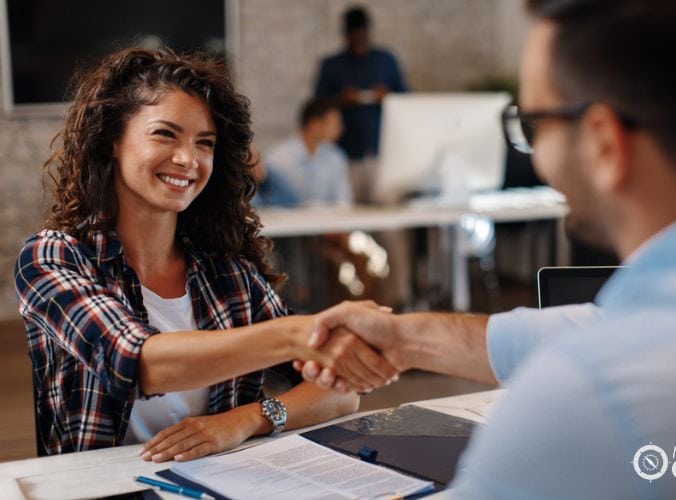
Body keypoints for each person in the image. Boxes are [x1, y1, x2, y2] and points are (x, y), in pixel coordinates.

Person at [298, 0, 676, 497]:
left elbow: (591, 355)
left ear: (604, 144)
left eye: (533, 126)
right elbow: (581, 327)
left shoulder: (582, 396)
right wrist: (399, 338)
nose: (535, 153)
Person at [14, 47, 397, 459]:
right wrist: (297, 336)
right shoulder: (52, 257)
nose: (188, 159)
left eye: (205, 142)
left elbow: (340, 392)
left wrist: (247, 419)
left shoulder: (228, 274)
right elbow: (139, 364)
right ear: (112, 140)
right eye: (165, 133)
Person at [314, 5, 407, 165]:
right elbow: (316, 106)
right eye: (354, 38)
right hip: (344, 153)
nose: (358, 42)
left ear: (368, 33)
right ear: (345, 35)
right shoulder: (331, 65)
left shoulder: (386, 60)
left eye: (362, 37)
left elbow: (407, 99)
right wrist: (340, 100)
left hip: (383, 150)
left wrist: (388, 96)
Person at [257, 98, 352, 207]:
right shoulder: (278, 159)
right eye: (335, 124)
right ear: (315, 125)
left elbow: (343, 202)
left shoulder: (336, 157)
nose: (340, 130)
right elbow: (270, 202)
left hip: (328, 222)